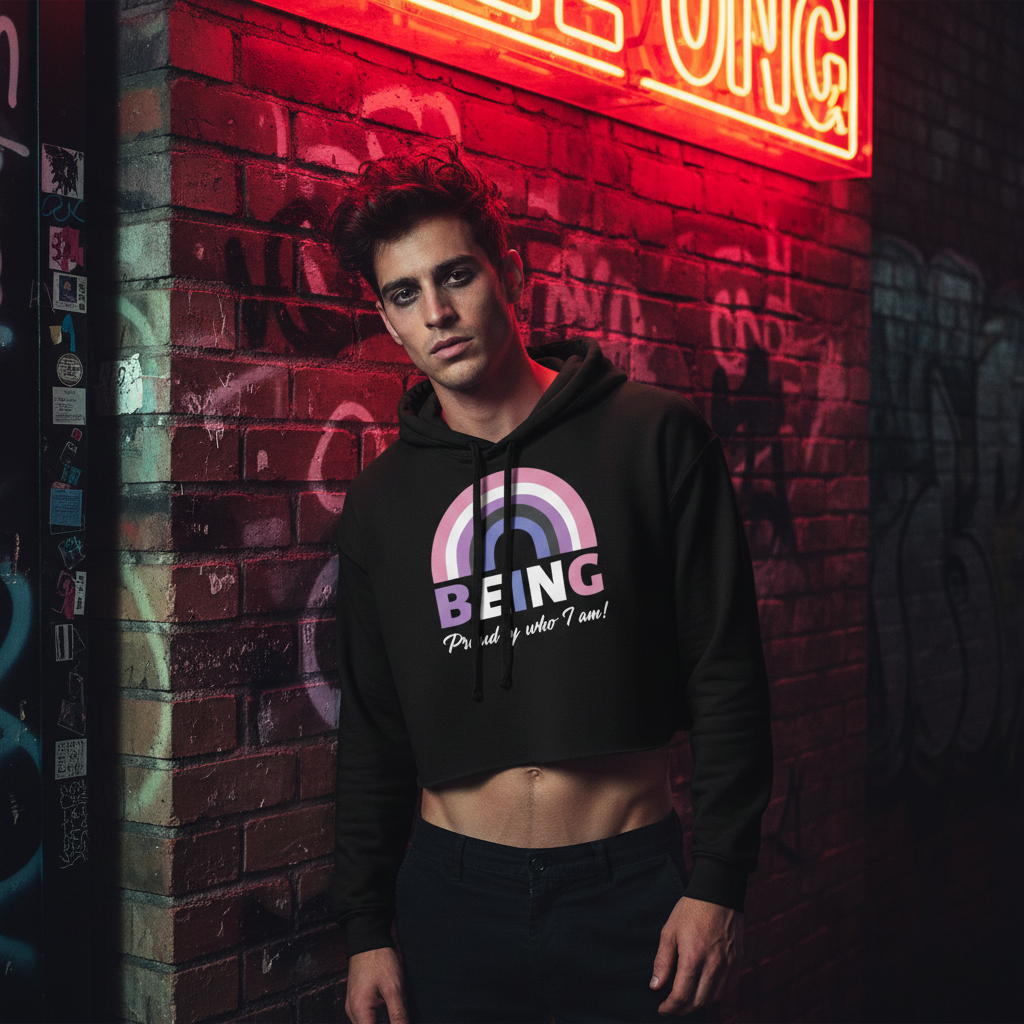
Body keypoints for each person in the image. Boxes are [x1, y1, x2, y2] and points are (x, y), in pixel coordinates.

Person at [330, 145, 772, 1024]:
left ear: (512, 276)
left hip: (629, 892)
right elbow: (374, 733)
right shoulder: (381, 502)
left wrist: (719, 882)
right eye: (405, 294)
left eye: (456, 275)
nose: (439, 313)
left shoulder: (654, 437)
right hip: (451, 897)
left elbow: (727, 672)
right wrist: (364, 928)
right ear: (387, 321)